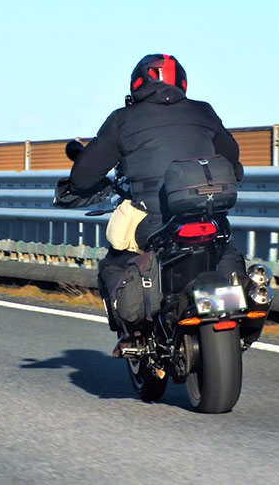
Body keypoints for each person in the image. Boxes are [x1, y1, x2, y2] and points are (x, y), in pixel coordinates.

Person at [67, 54, 246, 344]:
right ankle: (244, 300)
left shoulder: (123, 120)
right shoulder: (204, 112)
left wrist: (77, 185)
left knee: (116, 262)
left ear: (137, 84)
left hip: (154, 219)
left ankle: (133, 335)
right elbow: (233, 158)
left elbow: (85, 173)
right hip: (208, 214)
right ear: (182, 82)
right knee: (225, 250)